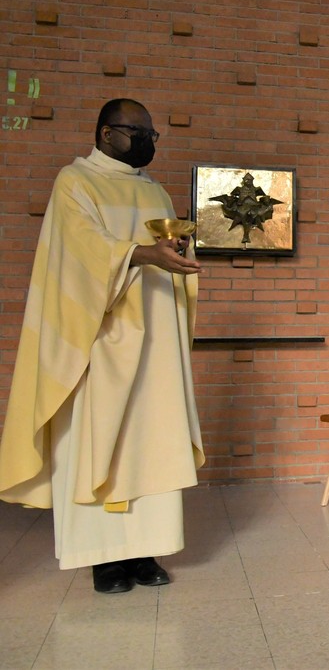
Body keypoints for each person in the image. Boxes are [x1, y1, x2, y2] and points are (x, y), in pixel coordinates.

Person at [0, 98, 205, 594]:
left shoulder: (153, 190)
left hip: (153, 342)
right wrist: (143, 255)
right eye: (139, 133)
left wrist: (175, 253)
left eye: (153, 136)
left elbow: (165, 251)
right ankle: (103, 561)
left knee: (149, 442)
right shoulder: (76, 182)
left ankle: (144, 552)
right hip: (99, 341)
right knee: (98, 443)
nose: (147, 143)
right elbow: (81, 251)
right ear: (106, 132)